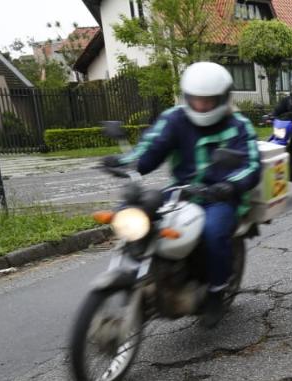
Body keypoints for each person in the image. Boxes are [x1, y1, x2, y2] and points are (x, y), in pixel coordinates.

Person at [104, 61, 261, 327]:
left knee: (213, 233)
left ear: (223, 98)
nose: (201, 106)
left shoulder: (239, 125)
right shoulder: (175, 118)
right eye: (195, 99)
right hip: (180, 191)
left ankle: (216, 292)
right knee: (135, 211)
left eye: (208, 101)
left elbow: (251, 165)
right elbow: (151, 148)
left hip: (219, 196)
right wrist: (124, 163)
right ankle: (144, 275)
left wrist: (230, 185)